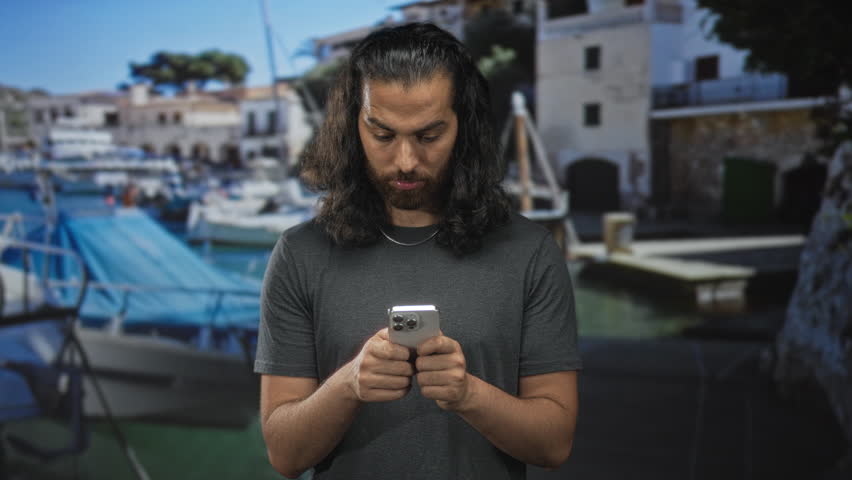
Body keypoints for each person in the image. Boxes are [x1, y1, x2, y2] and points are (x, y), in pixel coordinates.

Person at [255, 23, 581, 480]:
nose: (406, 160)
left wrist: (468, 395)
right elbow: (285, 455)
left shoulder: (528, 251)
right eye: (383, 135)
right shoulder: (299, 253)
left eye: (428, 136)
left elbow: (554, 443)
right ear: (354, 127)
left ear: (463, 127)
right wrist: (348, 385)